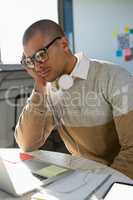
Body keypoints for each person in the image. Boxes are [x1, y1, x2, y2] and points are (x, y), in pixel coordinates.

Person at [15, 19, 133, 179]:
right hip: (81, 177)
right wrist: (39, 87)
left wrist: (105, 186)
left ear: (64, 44)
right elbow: (27, 143)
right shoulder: (49, 90)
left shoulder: (113, 77)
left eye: (41, 55)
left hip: (114, 180)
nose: (37, 67)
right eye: (31, 61)